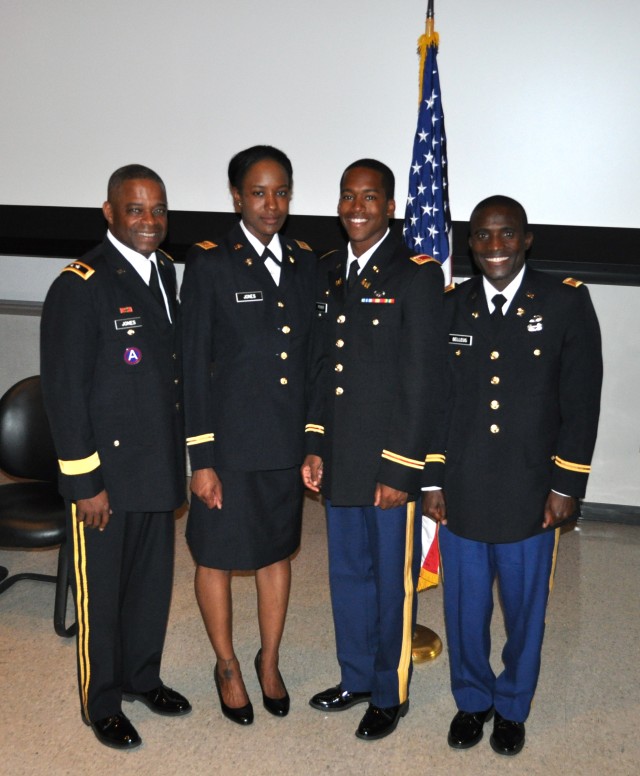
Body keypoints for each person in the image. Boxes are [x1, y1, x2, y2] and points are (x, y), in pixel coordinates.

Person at [422, 195, 603, 756]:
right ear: (469, 244)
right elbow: (434, 400)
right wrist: (431, 479)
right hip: (464, 489)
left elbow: (581, 401)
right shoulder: (452, 307)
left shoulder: (564, 301)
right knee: (464, 607)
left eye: (505, 234)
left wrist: (566, 484)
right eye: (481, 236)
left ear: (526, 239)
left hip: (531, 490)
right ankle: (472, 700)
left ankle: (513, 706)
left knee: (525, 611)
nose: (493, 246)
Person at [40, 164, 190, 751]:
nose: (149, 221)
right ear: (109, 213)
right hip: (105, 475)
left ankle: (141, 678)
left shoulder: (168, 273)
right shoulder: (80, 285)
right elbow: (64, 393)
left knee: (151, 584)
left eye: (158, 210)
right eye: (135, 209)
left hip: (156, 465)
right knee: (102, 592)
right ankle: (100, 701)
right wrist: (84, 483)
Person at [302, 159, 446, 741]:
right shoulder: (330, 269)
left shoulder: (416, 274)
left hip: (389, 464)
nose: (356, 207)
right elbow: (321, 365)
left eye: (369, 197)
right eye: (347, 196)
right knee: (347, 576)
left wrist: (401, 466)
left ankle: (390, 693)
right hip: (340, 459)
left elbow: (422, 380)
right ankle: (356, 676)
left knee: (391, 582)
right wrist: (314, 442)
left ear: (390, 207)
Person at [181, 145, 316, 726]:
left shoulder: (309, 260)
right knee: (214, 555)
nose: (271, 204)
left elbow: (314, 361)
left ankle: (270, 660)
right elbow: (192, 364)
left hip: (284, 445)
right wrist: (202, 458)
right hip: (229, 449)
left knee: (274, 551)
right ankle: (227, 664)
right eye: (258, 193)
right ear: (236, 197)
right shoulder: (210, 261)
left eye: (281, 191)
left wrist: (313, 440)